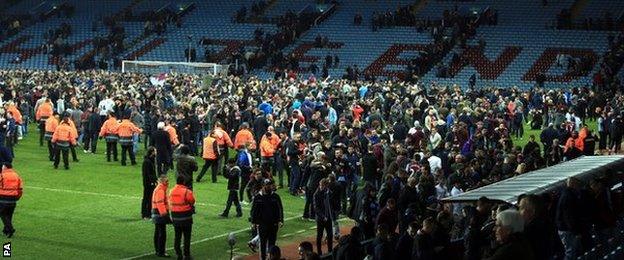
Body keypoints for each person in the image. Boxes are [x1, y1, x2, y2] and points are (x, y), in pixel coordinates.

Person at [251, 179, 284, 260]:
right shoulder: (258, 197)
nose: (269, 186)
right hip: (262, 224)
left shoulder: (275, 196)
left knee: (272, 244)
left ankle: (271, 259)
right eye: (267, 185)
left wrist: (281, 220)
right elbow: (254, 211)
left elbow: (280, 209)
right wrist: (253, 222)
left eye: (269, 185)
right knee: (262, 244)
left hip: (273, 224)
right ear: (263, 186)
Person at [168, 175, 195, 260]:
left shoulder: (171, 191)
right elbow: (192, 201)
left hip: (175, 217)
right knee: (187, 237)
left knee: (177, 236)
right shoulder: (187, 191)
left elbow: (170, 201)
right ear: (183, 182)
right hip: (186, 217)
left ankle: (178, 253)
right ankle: (186, 255)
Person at [556, 177, 583, 260]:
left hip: (565, 228)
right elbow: (569, 216)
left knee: (571, 251)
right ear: (572, 184)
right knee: (570, 252)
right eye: (577, 184)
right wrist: (576, 231)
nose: (578, 186)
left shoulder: (565, 194)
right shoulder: (568, 196)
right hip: (567, 229)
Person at [0, 163, 22, 238]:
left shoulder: (2, 175)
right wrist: (17, 197)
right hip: (13, 199)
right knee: (9, 215)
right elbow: (20, 188)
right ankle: (6, 230)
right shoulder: (16, 175)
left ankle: (10, 229)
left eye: (3, 166)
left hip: (3, 198)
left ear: (5, 167)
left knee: (2, 214)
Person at [151, 174, 170, 257]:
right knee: (162, 233)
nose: (168, 183)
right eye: (167, 181)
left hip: (156, 212)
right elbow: (160, 203)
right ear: (163, 181)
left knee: (158, 232)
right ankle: (161, 252)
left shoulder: (160, 188)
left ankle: (158, 250)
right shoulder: (160, 190)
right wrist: (165, 215)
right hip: (159, 213)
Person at [313, 178, 333, 255]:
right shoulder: (316, 194)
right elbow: (316, 208)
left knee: (330, 235)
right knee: (319, 236)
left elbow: (331, 202)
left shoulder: (328, 192)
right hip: (321, 219)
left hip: (328, 217)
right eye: (320, 185)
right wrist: (323, 216)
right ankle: (319, 252)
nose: (321, 187)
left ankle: (330, 251)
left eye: (322, 186)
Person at [142, 147, 158, 220]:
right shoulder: (147, 162)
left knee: (150, 198)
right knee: (147, 198)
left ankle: (149, 213)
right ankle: (145, 214)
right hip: (148, 183)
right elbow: (147, 174)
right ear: (152, 152)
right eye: (155, 151)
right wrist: (152, 182)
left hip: (151, 182)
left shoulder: (151, 160)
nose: (156, 153)